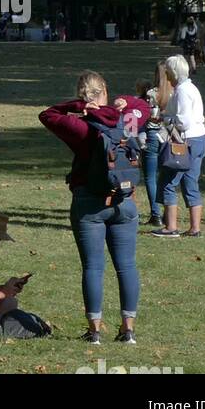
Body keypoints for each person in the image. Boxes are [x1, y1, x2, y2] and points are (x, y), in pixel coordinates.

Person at [40, 71, 147, 344]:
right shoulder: (127, 121)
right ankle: (128, 329)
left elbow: (48, 115)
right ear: (105, 91)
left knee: (93, 267)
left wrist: (76, 108)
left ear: (82, 96)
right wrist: (124, 102)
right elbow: (145, 107)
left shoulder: (80, 128)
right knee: (126, 266)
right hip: (125, 201)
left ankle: (95, 330)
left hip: (89, 202)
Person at [154, 54, 205, 238]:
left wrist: (165, 118)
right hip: (200, 138)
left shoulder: (182, 91)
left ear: (174, 72)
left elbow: (183, 122)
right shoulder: (191, 88)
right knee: (190, 182)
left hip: (187, 142)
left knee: (168, 182)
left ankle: (171, 227)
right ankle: (195, 228)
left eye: (168, 72)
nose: (166, 75)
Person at [134, 67, 168, 226]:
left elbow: (144, 117)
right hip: (168, 136)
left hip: (152, 136)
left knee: (150, 176)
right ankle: (169, 212)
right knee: (167, 176)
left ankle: (156, 214)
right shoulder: (174, 93)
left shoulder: (152, 95)